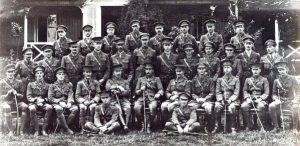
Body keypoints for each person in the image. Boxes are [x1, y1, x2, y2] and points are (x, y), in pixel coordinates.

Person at [269, 61, 300, 133]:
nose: (281, 71)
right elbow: (273, 93)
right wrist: (276, 99)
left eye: (283, 69)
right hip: (280, 100)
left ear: (287, 69)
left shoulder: (292, 78)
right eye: (280, 70)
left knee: (295, 107)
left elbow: (298, 91)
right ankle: (276, 127)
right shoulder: (276, 81)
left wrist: (296, 99)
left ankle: (294, 128)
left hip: (291, 100)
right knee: (271, 106)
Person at [134, 61, 164, 133]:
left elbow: (161, 90)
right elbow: (136, 91)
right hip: (142, 97)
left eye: (150, 69)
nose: (148, 71)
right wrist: (141, 90)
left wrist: (158, 94)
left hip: (152, 97)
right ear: (145, 70)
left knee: (153, 107)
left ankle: (149, 125)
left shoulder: (157, 79)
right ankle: (142, 124)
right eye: (147, 69)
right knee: (136, 107)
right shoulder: (140, 79)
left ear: (153, 70)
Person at [48, 67, 78, 135]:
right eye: (59, 74)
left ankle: (63, 127)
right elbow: (50, 98)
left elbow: (71, 95)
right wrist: (59, 102)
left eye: (62, 74)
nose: (61, 76)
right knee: (59, 108)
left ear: (65, 75)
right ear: (56, 75)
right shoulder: (52, 85)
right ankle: (67, 129)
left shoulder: (69, 84)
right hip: (56, 103)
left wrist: (70, 103)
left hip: (66, 103)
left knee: (75, 108)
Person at [213, 59, 240, 134]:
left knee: (232, 107)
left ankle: (233, 127)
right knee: (217, 106)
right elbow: (218, 92)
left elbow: (236, 92)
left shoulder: (236, 79)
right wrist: (220, 99)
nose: (226, 69)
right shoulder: (219, 80)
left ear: (231, 68)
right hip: (222, 99)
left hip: (233, 100)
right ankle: (217, 126)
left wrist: (231, 99)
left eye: (228, 67)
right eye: (225, 67)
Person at [0, 64, 28, 136]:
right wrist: (7, 94)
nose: (10, 73)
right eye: (9, 72)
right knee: (7, 107)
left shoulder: (19, 82)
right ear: (6, 73)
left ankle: (21, 130)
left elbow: (22, 96)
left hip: (17, 102)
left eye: (12, 72)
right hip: (6, 102)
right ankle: (11, 131)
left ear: (14, 73)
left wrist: (17, 94)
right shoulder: (2, 83)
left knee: (25, 106)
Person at [241, 62, 269, 131]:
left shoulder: (264, 79)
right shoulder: (248, 79)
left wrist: (261, 98)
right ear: (251, 70)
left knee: (261, 106)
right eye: (253, 70)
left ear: (260, 70)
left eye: (257, 69)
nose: (255, 71)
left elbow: (267, 92)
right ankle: (249, 125)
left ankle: (260, 126)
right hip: (250, 98)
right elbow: (244, 90)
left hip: (260, 98)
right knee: (243, 106)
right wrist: (247, 98)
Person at [27, 65, 53, 136]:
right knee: (32, 109)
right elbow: (28, 96)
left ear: (43, 74)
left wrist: (43, 101)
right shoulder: (30, 84)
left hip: (43, 103)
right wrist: (36, 100)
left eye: (41, 73)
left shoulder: (48, 85)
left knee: (49, 107)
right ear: (35, 75)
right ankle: (36, 130)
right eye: (37, 73)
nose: (39, 75)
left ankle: (44, 129)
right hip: (34, 103)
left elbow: (49, 97)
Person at [189, 62, 214, 133]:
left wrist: (205, 98)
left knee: (208, 108)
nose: (201, 71)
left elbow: (212, 92)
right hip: (197, 100)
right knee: (191, 107)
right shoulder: (194, 80)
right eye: (199, 69)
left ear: (205, 69)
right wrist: (197, 98)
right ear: (197, 70)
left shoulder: (210, 80)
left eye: (203, 69)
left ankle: (207, 126)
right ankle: (194, 126)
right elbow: (192, 93)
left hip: (206, 100)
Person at [75, 65, 101, 133]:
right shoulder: (80, 83)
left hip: (92, 101)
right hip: (83, 101)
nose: (88, 74)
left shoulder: (95, 82)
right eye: (86, 72)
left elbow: (98, 93)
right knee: (83, 108)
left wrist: (93, 100)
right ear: (83, 73)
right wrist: (83, 101)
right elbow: (77, 96)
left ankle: (92, 127)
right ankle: (83, 128)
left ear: (91, 73)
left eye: (89, 72)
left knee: (93, 107)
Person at [105, 64, 131, 130]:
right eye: (116, 71)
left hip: (123, 99)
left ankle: (127, 124)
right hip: (113, 100)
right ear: (113, 72)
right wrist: (113, 89)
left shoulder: (125, 81)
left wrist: (121, 92)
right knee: (118, 109)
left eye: (119, 71)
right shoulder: (110, 81)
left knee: (128, 108)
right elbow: (108, 89)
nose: (118, 73)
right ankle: (124, 125)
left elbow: (128, 91)